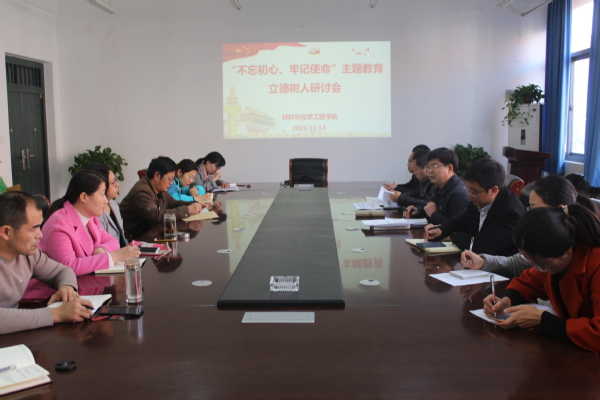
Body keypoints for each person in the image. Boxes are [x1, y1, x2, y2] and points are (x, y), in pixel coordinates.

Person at [483, 205, 600, 354]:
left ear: (567, 251)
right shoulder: (554, 255)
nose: (536, 268)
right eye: (528, 261)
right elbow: (529, 282)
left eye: (539, 263)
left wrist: (543, 320)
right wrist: (507, 300)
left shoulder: (595, 264)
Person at [462, 175, 600, 278]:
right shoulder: (549, 237)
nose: (528, 213)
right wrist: (483, 262)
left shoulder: (588, 252)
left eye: (533, 207)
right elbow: (521, 265)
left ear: (558, 210)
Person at [0, 192, 94, 335]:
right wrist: (56, 314)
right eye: (34, 228)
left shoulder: (29, 255)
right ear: (6, 232)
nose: (40, 235)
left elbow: (62, 271)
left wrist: (67, 287)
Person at [39, 170, 140, 275]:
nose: (106, 200)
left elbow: (112, 240)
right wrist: (113, 257)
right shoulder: (59, 224)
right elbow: (68, 267)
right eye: (102, 194)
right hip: (58, 285)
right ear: (83, 197)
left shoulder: (90, 218)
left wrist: (101, 250)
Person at [424, 158, 525, 256]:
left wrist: (453, 237)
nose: (469, 194)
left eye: (474, 191)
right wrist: (441, 230)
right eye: (468, 189)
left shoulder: (510, 212)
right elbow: (461, 221)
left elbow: (481, 245)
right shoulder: (480, 199)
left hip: (497, 264)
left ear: (494, 190)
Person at [120, 156, 206, 238]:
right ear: (157, 176)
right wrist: (187, 210)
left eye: (173, 179)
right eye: (170, 179)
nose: (171, 183)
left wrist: (195, 204)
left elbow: (172, 203)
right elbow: (155, 215)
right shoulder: (142, 191)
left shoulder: (159, 188)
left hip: (154, 232)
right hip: (138, 237)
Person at [403, 147, 470, 225]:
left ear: (450, 168)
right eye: (428, 167)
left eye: (434, 166)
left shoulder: (458, 194)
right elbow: (430, 205)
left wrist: (434, 214)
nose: (430, 171)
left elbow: (457, 227)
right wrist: (417, 210)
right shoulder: (440, 187)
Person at [86, 163, 127, 247]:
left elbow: (122, 237)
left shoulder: (113, 204)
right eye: (113, 182)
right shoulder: (94, 212)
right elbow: (99, 245)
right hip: (110, 253)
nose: (117, 184)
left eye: (116, 180)